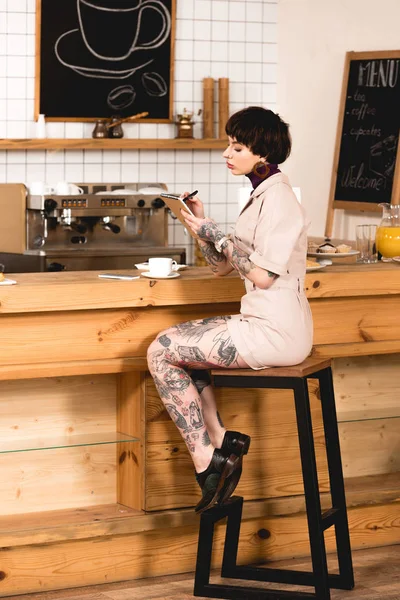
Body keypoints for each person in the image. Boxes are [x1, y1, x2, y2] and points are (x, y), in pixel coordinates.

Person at [147, 106, 313, 514]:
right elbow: (224, 266)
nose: (227, 153)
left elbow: (263, 277)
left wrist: (216, 235)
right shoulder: (260, 194)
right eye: (229, 144)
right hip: (262, 321)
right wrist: (201, 227)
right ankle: (220, 440)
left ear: (262, 154)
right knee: (179, 346)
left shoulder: (281, 201)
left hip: (276, 331)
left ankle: (208, 460)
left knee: (160, 350)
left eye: (237, 146)